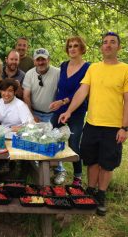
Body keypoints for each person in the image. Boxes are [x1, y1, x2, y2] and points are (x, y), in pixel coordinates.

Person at [59, 32, 128, 216]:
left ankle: (102, 195)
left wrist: (125, 127)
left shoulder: (125, 69)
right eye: (105, 42)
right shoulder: (94, 68)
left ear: (118, 47)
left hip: (114, 126)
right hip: (92, 123)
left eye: (112, 42)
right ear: (101, 47)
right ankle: (89, 192)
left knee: (107, 163)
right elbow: (82, 92)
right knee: (91, 159)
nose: (108, 45)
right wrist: (69, 111)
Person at [49, 36, 90, 186]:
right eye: (70, 46)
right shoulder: (64, 65)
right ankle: (52, 170)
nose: (72, 48)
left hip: (77, 111)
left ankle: (77, 177)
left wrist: (64, 101)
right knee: (49, 138)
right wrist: (56, 103)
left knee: (73, 143)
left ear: (81, 49)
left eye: (76, 46)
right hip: (60, 110)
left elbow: (82, 91)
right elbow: (61, 88)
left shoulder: (88, 68)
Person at [23, 48, 60, 122]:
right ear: (34, 61)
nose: (40, 62)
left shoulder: (58, 73)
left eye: (43, 59)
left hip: (52, 114)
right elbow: (26, 96)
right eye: (38, 60)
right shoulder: (29, 74)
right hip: (34, 112)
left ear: (48, 59)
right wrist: (31, 115)